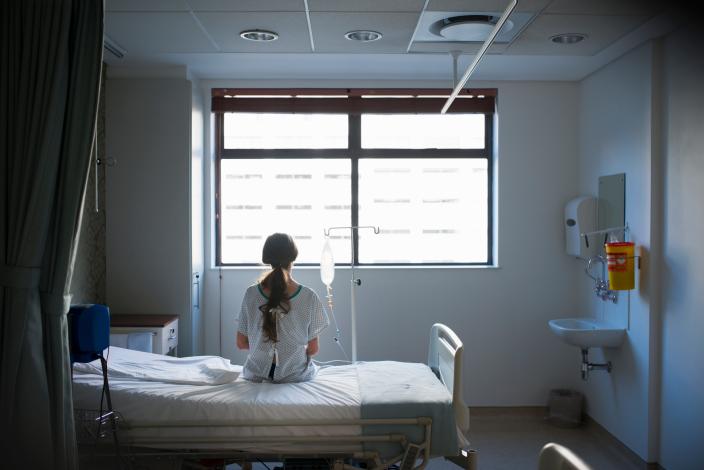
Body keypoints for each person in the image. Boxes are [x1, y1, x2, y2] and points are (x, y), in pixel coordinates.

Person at [236, 233, 329, 383]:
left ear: (267, 258)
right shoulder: (309, 296)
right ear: (293, 257)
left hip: (256, 375)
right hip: (295, 376)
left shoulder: (251, 294)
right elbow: (313, 349)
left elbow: (241, 343)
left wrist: (262, 348)